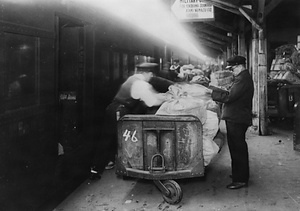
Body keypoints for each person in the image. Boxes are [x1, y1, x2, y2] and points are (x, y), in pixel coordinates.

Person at [90, 62, 168, 180]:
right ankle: (101, 170)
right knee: (122, 139)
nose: (151, 77)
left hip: (113, 108)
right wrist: (167, 98)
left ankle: (102, 165)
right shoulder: (141, 84)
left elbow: (150, 95)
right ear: (147, 73)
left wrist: (162, 96)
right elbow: (151, 101)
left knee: (109, 138)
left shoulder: (133, 79)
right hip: (119, 111)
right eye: (150, 75)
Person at [207, 55, 254, 189]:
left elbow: (230, 97)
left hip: (238, 118)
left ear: (239, 66)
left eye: (233, 69)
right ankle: (238, 174)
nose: (232, 72)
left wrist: (211, 91)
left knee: (238, 148)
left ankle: (241, 179)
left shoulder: (243, 79)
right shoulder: (240, 78)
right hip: (235, 117)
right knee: (235, 147)